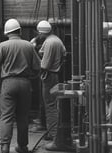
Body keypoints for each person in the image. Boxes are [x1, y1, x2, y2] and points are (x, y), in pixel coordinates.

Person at [0, 19, 40, 153]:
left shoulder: (3, 46)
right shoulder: (28, 46)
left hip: (8, 83)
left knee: (6, 116)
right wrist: (30, 77)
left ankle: (5, 147)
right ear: (20, 31)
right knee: (23, 116)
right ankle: (22, 147)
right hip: (25, 83)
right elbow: (37, 67)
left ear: (7, 33)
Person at [37, 20, 66, 150]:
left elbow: (44, 65)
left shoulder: (49, 42)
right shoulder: (56, 40)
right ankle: (52, 132)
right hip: (56, 74)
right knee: (51, 104)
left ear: (42, 32)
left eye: (39, 33)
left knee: (50, 106)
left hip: (49, 75)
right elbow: (64, 54)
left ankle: (55, 137)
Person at [29, 21, 51, 136]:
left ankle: (44, 124)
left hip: (45, 73)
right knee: (43, 99)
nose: (38, 34)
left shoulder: (46, 43)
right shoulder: (48, 41)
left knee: (44, 100)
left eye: (39, 32)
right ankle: (43, 122)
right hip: (43, 73)